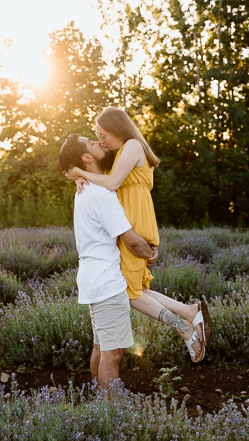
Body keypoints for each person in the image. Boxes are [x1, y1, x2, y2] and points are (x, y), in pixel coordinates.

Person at [65, 106, 209, 363]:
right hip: (128, 224)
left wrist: (79, 173)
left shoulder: (132, 145)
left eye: (103, 134)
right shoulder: (121, 153)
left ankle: (185, 326)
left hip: (133, 224)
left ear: (117, 129)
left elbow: (110, 184)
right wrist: (78, 178)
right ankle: (190, 311)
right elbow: (98, 174)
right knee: (136, 289)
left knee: (129, 293)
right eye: (97, 136)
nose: (100, 140)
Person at [58, 133, 158, 393]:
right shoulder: (101, 193)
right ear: (87, 158)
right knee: (113, 354)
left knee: (102, 347)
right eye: (92, 143)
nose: (99, 142)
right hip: (106, 282)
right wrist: (150, 253)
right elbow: (131, 239)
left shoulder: (85, 188)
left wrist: (77, 173)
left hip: (94, 279)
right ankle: (111, 413)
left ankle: (100, 404)